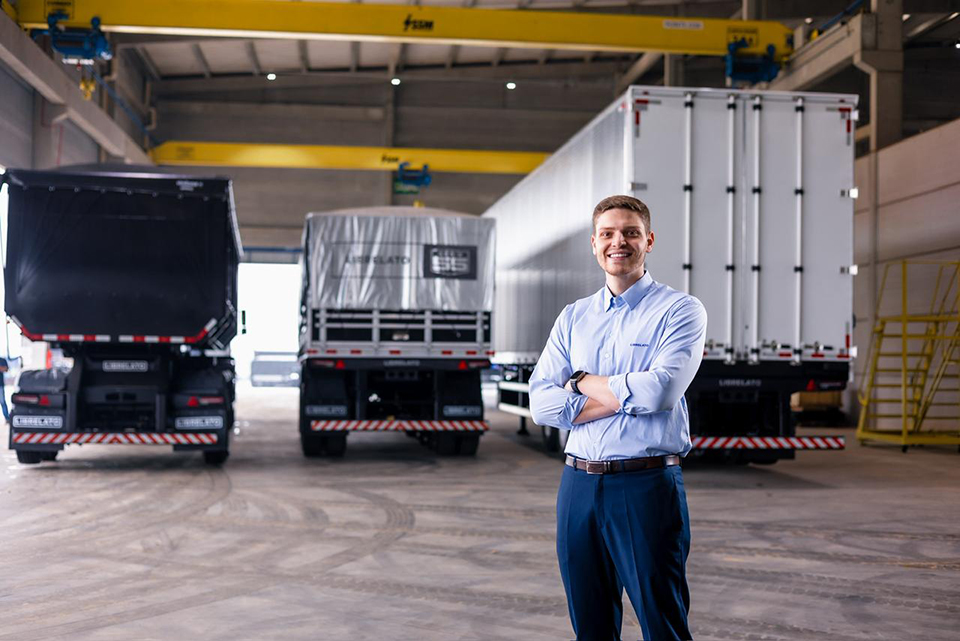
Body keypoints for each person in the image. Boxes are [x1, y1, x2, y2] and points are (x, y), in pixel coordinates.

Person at [529, 195, 707, 641]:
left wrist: (581, 380)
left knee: (662, 623)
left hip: (645, 486)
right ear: (594, 244)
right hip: (578, 487)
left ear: (649, 240)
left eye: (629, 232)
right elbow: (541, 404)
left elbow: (662, 391)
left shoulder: (679, 311)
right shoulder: (574, 317)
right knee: (589, 625)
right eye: (607, 234)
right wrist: (627, 393)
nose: (618, 242)